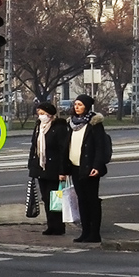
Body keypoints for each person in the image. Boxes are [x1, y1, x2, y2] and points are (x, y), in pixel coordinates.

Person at [62, 94, 110, 244]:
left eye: (80, 105)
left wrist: (97, 166)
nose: (76, 107)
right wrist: (63, 169)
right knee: (81, 200)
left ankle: (94, 233)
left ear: (87, 107)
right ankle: (85, 232)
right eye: (75, 104)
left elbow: (100, 147)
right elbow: (66, 146)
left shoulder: (94, 124)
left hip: (89, 168)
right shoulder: (71, 124)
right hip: (75, 167)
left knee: (92, 201)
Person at [27, 101, 71, 235]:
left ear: (50, 114)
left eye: (43, 114)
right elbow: (34, 147)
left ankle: (58, 226)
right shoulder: (38, 128)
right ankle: (51, 225)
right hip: (41, 168)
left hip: (54, 168)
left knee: (55, 198)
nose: (40, 116)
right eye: (39, 114)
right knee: (46, 198)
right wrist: (32, 166)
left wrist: (63, 171)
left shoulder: (59, 127)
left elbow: (63, 150)